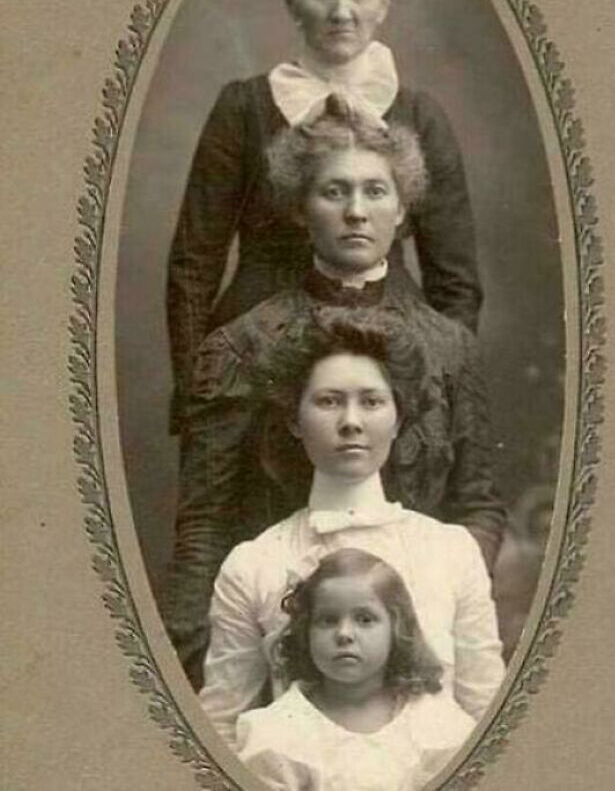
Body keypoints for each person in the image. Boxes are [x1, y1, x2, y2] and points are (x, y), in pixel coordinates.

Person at [162, 103, 505, 688]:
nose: (355, 212)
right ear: (300, 209)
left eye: (375, 191)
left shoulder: (449, 347)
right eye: (333, 192)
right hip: (279, 642)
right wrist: (192, 665)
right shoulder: (240, 347)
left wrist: (427, 609)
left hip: (415, 637)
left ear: (402, 211)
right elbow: (205, 525)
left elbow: (477, 507)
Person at [166, 0, 482, 431]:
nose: (342, 11)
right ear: (291, 0)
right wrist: (196, 387)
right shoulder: (243, 108)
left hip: (387, 353)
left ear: (384, 2)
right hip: (255, 361)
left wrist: (438, 389)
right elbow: (193, 264)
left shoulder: (421, 117)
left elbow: (456, 283)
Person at [198, 317, 504, 747]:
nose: (351, 422)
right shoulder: (254, 564)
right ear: (294, 420)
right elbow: (221, 728)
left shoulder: (451, 552)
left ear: (399, 419)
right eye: (328, 401)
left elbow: (490, 717)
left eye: (372, 402)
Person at [233, 548, 476, 791]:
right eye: (328, 620)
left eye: (364, 619)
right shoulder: (275, 734)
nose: (344, 634)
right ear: (305, 632)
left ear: (396, 628)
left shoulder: (435, 723)